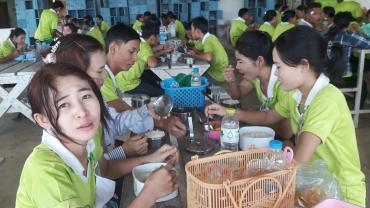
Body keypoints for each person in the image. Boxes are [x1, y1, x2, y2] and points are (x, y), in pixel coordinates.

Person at [206, 26, 366, 207]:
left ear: (303, 66)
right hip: (315, 186)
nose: (275, 73)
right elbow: (268, 118)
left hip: (341, 194)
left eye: (279, 66)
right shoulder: (294, 94)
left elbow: (298, 160)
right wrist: (228, 112)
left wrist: (255, 182)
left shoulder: (327, 100)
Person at [16, 63, 179, 207]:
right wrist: (149, 194)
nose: (81, 111)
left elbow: (105, 170)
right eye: (64, 104)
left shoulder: (85, 141)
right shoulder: (47, 173)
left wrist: (150, 159)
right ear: (43, 120)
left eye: (86, 96)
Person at [101, 24, 187, 136]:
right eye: (131, 52)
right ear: (113, 49)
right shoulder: (102, 78)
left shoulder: (111, 76)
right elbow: (122, 112)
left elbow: (126, 115)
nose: (135, 58)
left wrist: (147, 112)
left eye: (137, 53)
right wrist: (160, 121)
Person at [224, 30, 291, 139]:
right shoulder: (256, 77)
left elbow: (286, 132)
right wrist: (232, 81)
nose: (237, 67)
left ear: (259, 61)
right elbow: (237, 95)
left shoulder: (283, 83)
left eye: (240, 62)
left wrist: (252, 114)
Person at [325, 12, 370, 108]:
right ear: (350, 23)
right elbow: (367, 44)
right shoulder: (348, 35)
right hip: (341, 78)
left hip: (324, 75)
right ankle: (355, 112)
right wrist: (358, 32)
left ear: (334, 21)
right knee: (362, 85)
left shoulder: (327, 33)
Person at [116, 21, 171, 97]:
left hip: (121, 79)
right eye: (157, 36)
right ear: (152, 37)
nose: (158, 39)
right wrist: (157, 55)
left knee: (152, 75)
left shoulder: (139, 41)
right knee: (162, 92)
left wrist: (162, 51)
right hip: (129, 84)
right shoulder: (145, 46)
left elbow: (144, 55)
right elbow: (153, 63)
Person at [189, 16, 229, 84]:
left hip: (217, 75)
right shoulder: (209, 37)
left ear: (198, 31)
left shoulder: (208, 40)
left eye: (192, 30)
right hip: (219, 71)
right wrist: (196, 53)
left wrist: (191, 56)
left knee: (192, 78)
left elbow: (208, 57)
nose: (191, 32)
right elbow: (198, 50)